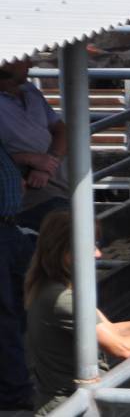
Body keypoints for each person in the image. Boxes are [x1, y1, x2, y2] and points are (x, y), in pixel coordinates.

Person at [26, 212, 130, 414]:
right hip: (74, 407)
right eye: (89, 246)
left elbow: (106, 329)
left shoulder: (55, 287)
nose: (98, 254)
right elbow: (121, 347)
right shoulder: (63, 298)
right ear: (64, 250)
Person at [0, 58, 68, 223]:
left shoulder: (29, 89)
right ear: (6, 62)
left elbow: (62, 130)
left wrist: (47, 164)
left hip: (52, 180)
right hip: (24, 189)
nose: (30, 64)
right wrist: (30, 159)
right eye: (24, 59)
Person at [0, 146, 32, 411]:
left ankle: (16, 381)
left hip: (10, 229)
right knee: (5, 314)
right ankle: (14, 388)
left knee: (19, 308)